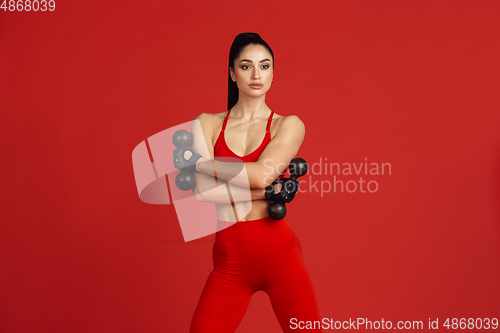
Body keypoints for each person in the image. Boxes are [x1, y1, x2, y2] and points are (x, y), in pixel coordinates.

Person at [183, 32, 322, 332]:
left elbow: (262, 174)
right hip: (229, 261)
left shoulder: (289, 125)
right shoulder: (206, 123)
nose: (256, 74)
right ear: (232, 73)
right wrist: (267, 193)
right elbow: (201, 192)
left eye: (265, 66)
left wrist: (203, 164)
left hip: (279, 255)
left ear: (273, 74)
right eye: (246, 66)